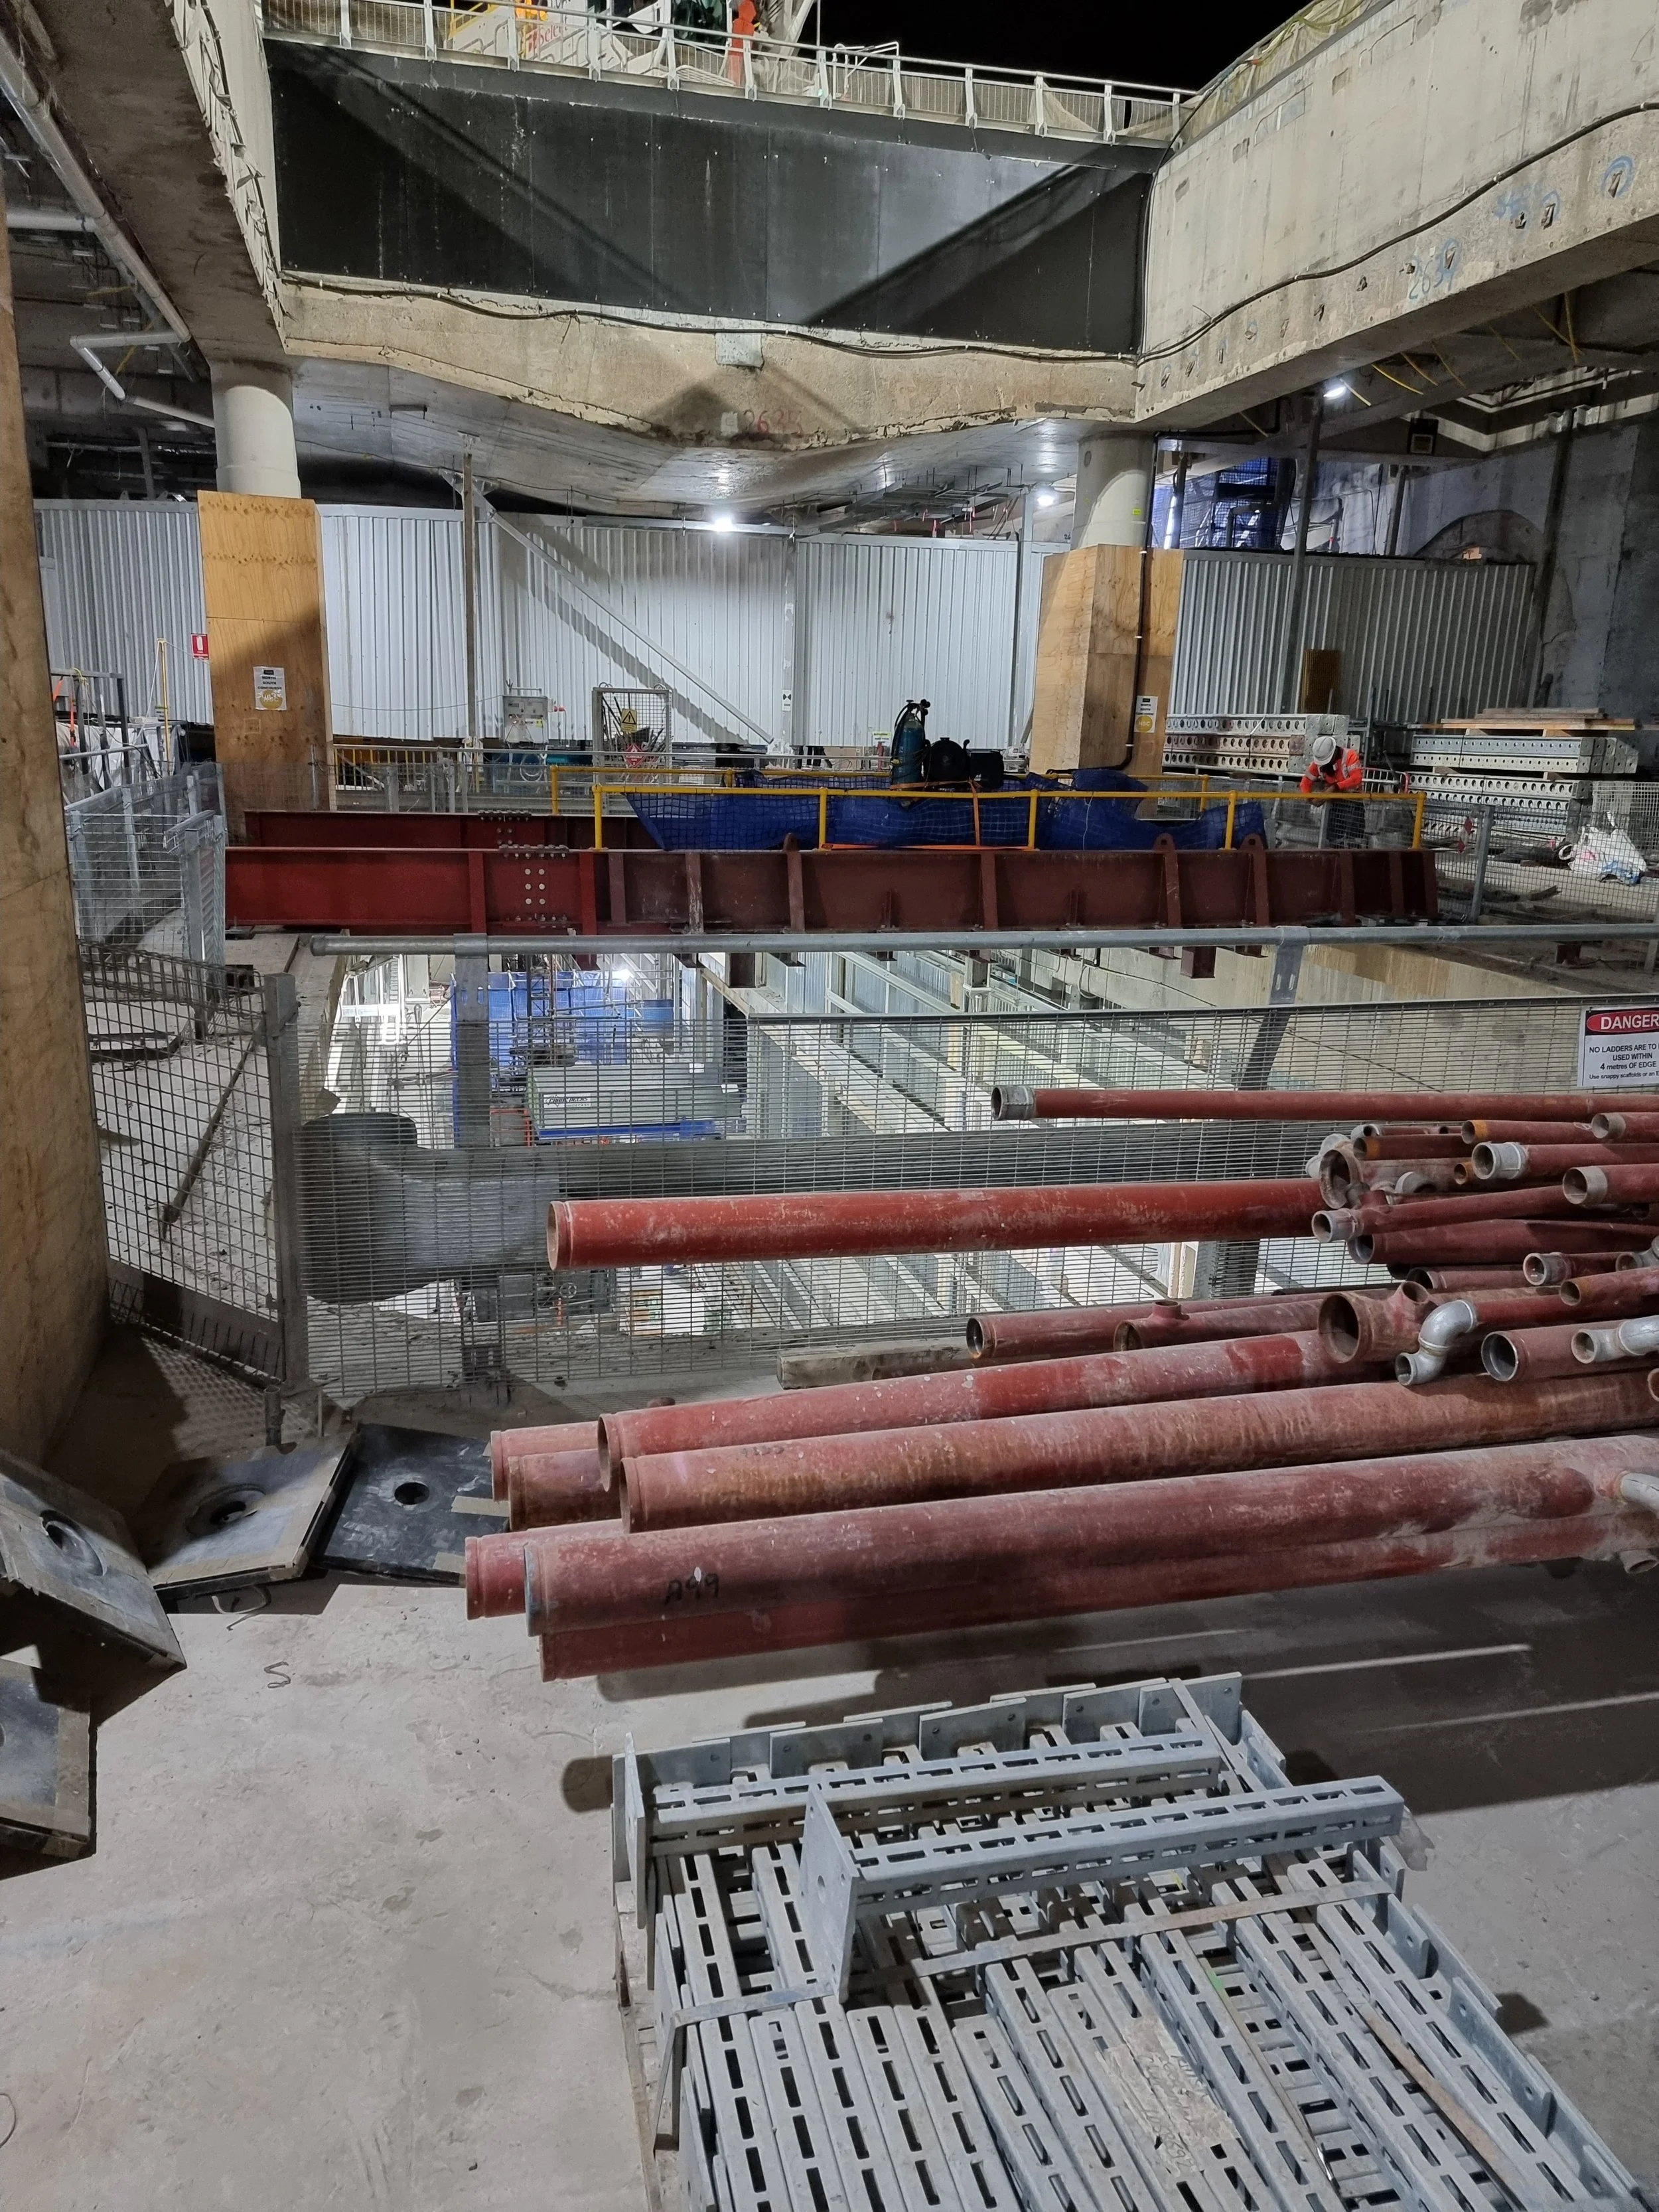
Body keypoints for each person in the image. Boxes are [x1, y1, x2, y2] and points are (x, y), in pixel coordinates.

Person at [1300, 731, 1366, 847]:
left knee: (1354, 841)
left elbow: (1356, 779)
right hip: (1334, 805)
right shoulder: (1318, 763)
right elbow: (1305, 783)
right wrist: (1310, 799)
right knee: (1334, 840)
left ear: (1334, 752)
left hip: (1353, 803)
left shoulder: (1349, 756)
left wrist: (1335, 787)